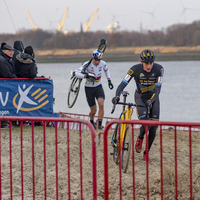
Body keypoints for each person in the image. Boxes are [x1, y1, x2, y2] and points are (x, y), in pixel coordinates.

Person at [112, 49, 164, 162]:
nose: (149, 66)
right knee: (146, 125)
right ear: (141, 62)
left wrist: (151, 100)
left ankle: (146, 153)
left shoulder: (159, 69)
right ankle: (140, 137)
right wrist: (117, 96)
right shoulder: (134, 69)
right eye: (146, 63)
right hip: (140, 98)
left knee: (154, 128)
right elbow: (122, 85)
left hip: (154, 98)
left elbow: (158, 90)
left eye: (151, 63)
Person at [74, 49, 114, 130]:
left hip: (98, 87)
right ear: (93, 58)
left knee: (101, 104)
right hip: (89, 89)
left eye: (99, 60)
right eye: (96, 60)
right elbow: (75, 73)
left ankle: (99, 125)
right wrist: (86, 76)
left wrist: (109, 80)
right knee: (93, 111)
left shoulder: (103, 63)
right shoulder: (87, 64)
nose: (98, 62)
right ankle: (91, 122)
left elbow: (106, 70)